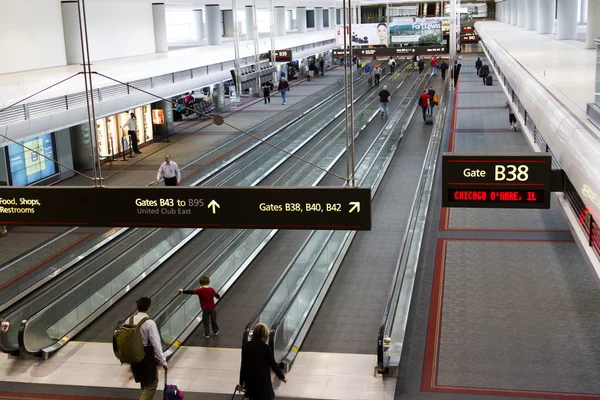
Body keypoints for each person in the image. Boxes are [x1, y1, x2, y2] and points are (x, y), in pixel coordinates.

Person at [129, 297, 167, 400]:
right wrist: (163, 361)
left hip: (134, 356)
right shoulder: (149, 323)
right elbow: (156, 344)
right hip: (146, 357)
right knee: (152, 384)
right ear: (148, 308)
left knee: (144, 383)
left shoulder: (129, 320)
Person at [239, 323, 287, 400]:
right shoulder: (266, 348)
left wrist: (241, 382)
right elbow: (273, 364)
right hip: (262, 380)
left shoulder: (246, 346)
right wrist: (282, 377)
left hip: (250, 380)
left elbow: (243, 365)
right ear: (264, 335)